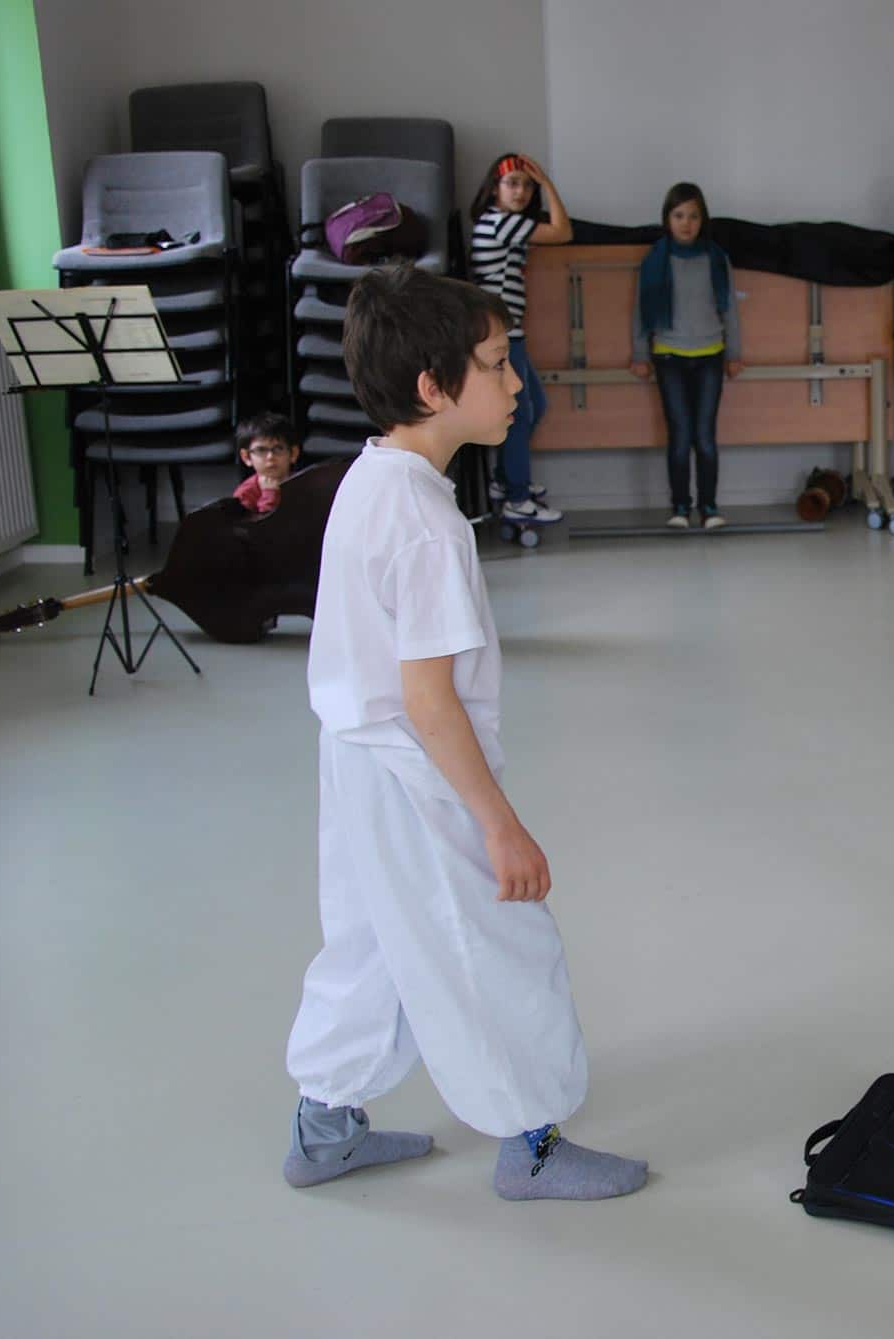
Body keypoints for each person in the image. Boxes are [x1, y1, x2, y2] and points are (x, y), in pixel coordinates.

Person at [283, 264, 647, 1202]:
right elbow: (432, 701)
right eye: (496, 363)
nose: (517, 380)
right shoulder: (427, 527)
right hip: (417, 771)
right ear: (432, 388)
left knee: (373, 939)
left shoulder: (370, 479)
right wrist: (500, 823)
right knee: (495, 941)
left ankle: (324, 1125)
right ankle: (532, 1143)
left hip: (357, 759)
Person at [629, 182, 742, 529]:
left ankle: (709, 507)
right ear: (667, 219)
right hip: (668, 357)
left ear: (702, 219)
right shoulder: (655, 260)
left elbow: (731, 311)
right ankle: (680, 507)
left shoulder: (715, 258)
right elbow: (639, 311)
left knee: (705, 437)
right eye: (679, 215)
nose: (686, 223)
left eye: (693, 216)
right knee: (679, 436)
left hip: (710, 355)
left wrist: (734, 353)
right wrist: (639, 354)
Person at [468, 152, 573, 524]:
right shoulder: (501, 223)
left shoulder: (502, 223)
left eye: (528, 186)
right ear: (494, 188)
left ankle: (504, 481)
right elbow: (563, 232)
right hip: (501, 336)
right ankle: (516, 495)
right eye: (513, 183)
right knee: (518, 415)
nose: (522, 191)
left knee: (534, 408)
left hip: (511, 334)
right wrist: (547, 183)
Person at [232, 412, 300, 515]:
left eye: (278, 449)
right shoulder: (245, 494)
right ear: (246, 457)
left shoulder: (304, 482)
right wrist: (269, 495)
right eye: (261, 450)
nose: (270, 457)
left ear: (293, 453)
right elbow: (260, 529)